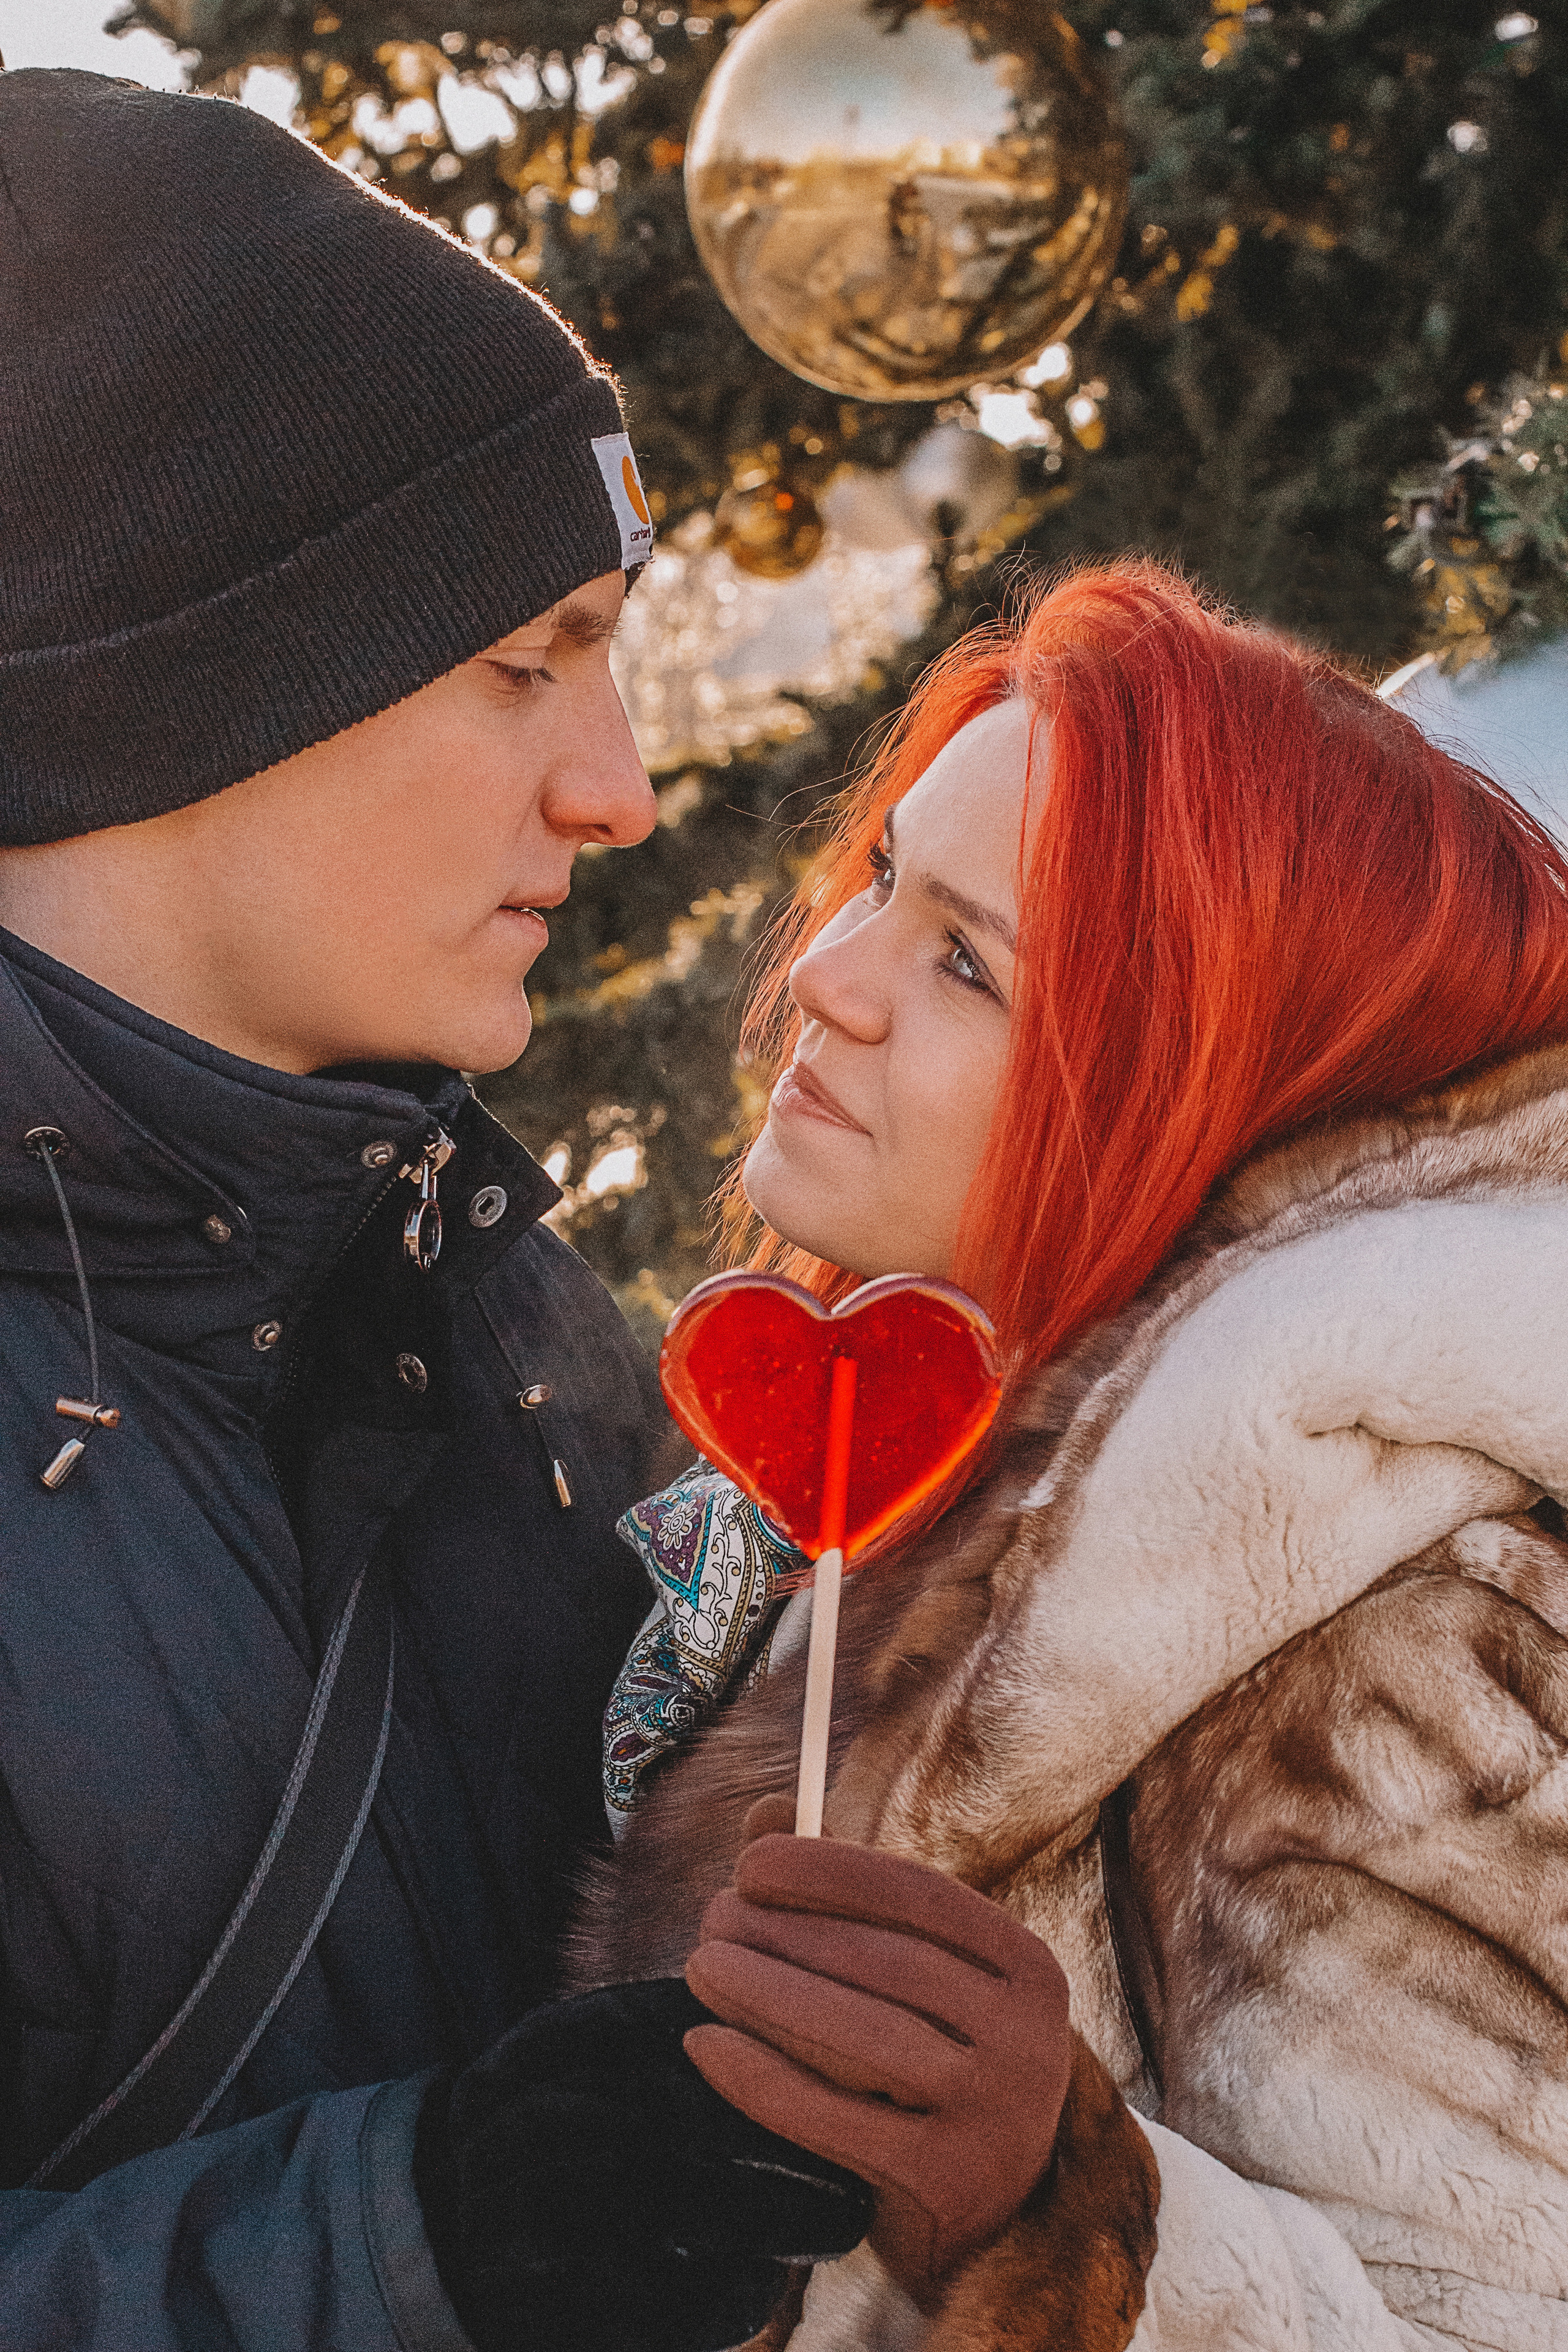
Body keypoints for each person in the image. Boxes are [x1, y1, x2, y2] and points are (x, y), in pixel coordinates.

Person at [0, 67, 883, 2352]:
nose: (624, 788)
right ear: (187, 694)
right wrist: (418, 2249)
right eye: (524, 664)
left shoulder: (500, 1315)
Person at [581, 562, 1568, 2349]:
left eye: (965, 962)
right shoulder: (918, 1475)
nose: (823, 975)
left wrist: (1074, 2221)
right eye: (880, 881)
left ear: (1179, 1080)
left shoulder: (1414, 1637)